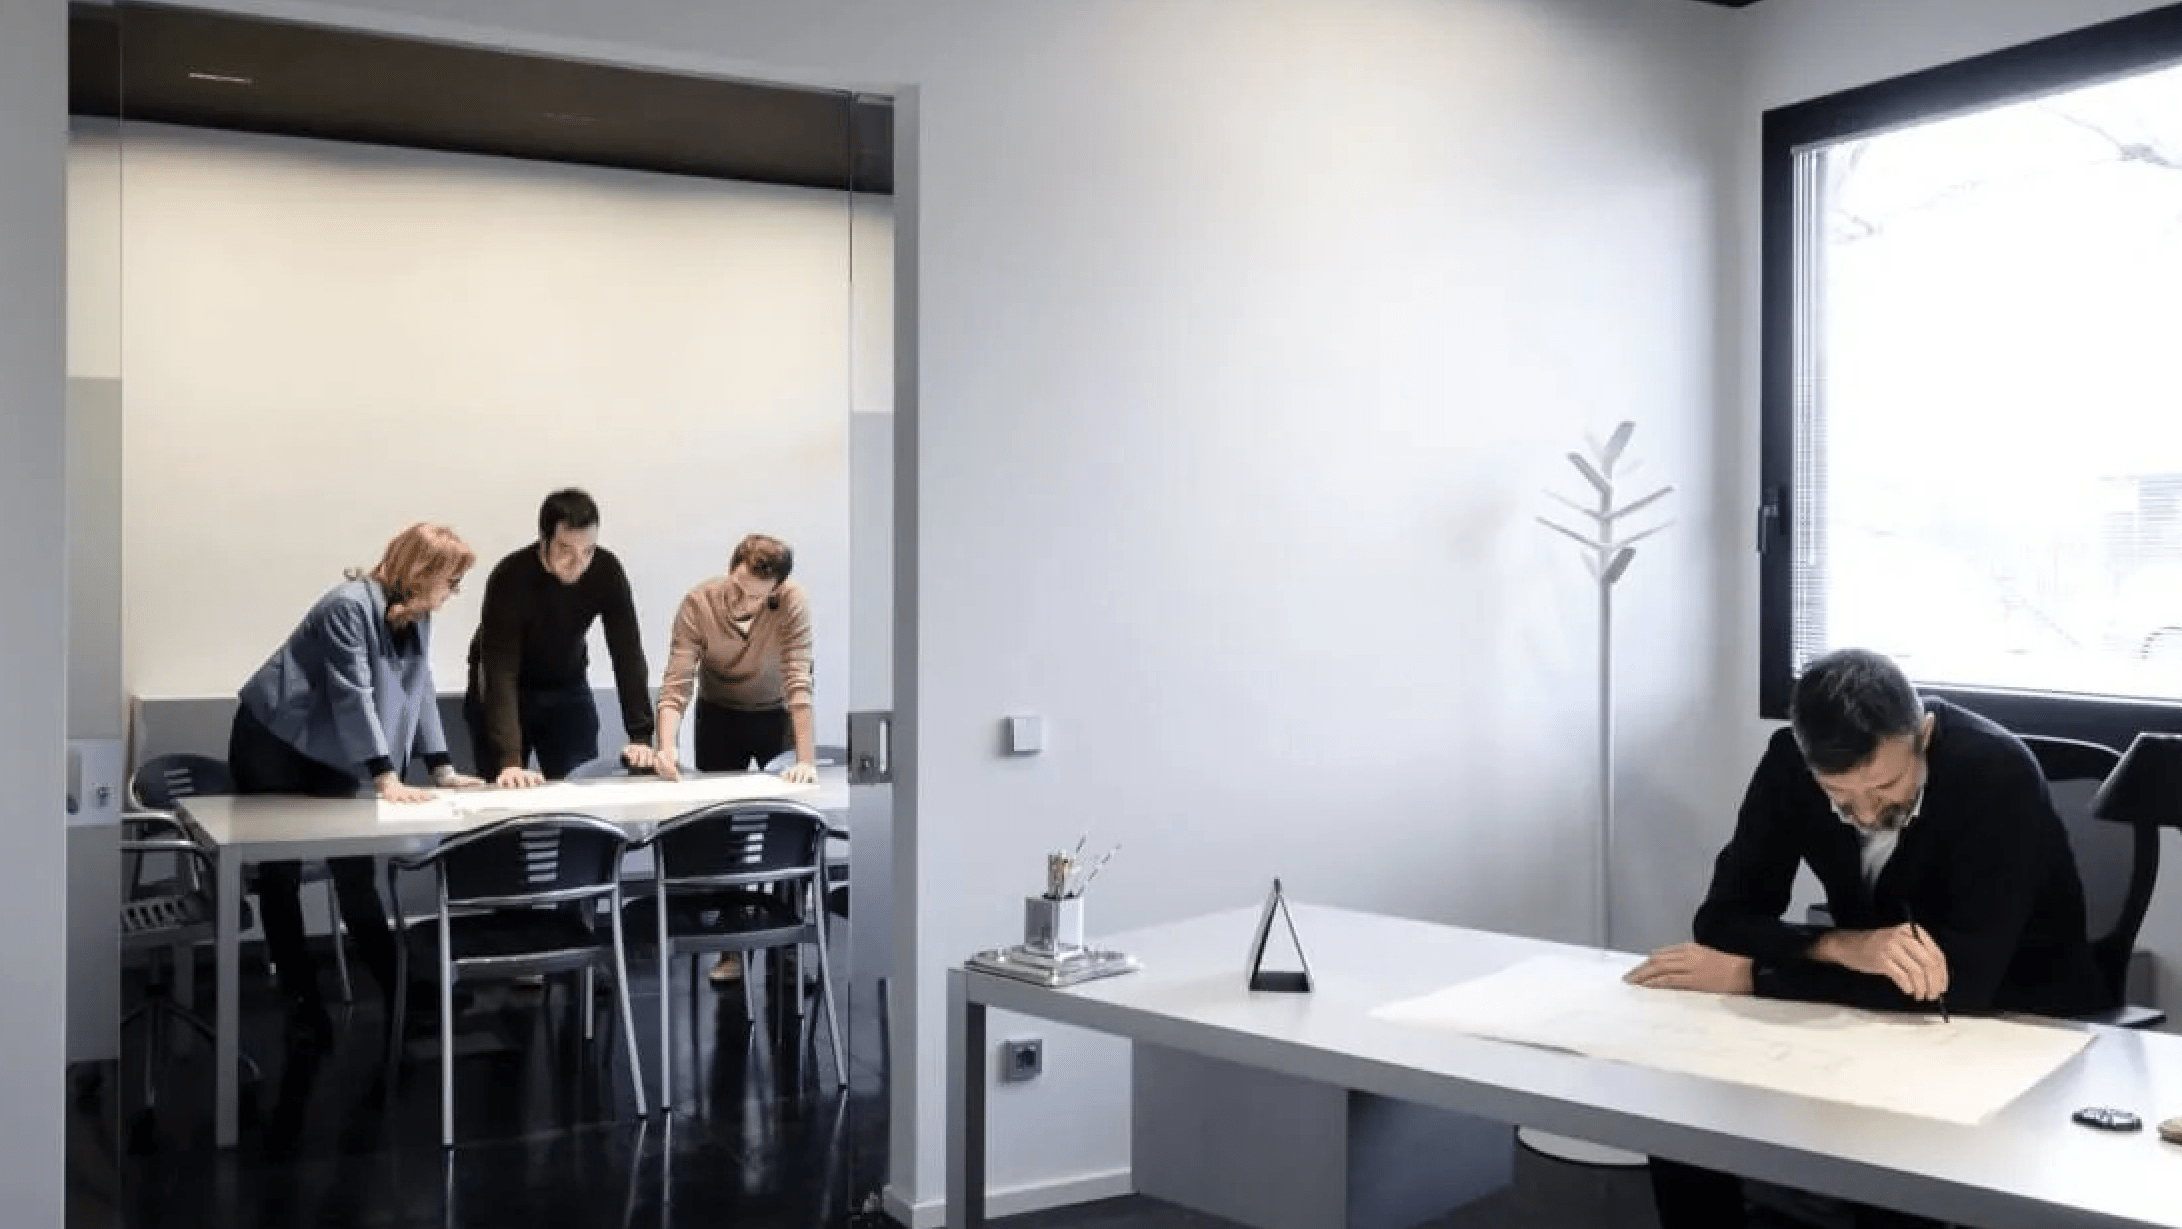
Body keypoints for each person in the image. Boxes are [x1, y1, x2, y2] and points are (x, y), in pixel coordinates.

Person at [1627, 647, 2104, 1229]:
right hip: (1876, 1017)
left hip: (2016, 1020)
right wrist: (1839, 945)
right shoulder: (1789, 762)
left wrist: (1758, 975)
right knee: (1682, 1126)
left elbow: (1963, 983)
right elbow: (1723, 920)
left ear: (1923, 735)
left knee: (1890, 1165)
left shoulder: (1995, 773)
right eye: (1840, 796)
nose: (1868, 814)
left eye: (1886, 786)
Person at [231, 523, 486, 1044]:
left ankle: (400, 993)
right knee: (281, 871)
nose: (453, 592)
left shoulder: (416, 615)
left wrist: (441, 766)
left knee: (354, 868)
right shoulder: (346, 606)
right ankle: (302, 1000)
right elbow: (353, 691)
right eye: (451, 580)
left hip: (331, 746)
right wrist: (385, 776)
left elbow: (419, 686)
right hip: (274, 741)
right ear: (422, 572)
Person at [652, 532, 818, 982]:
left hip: (776, 713)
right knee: (722, 830)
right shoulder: (699, 603)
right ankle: (732, 949)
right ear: (730, 571)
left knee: (788, 826)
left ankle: (786, 950)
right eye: (738, 588)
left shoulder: (793, 603)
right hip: (720, 713)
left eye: (757, 597)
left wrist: (805, 759)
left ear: (776, 590)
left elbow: (799, 680)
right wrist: (666, 746)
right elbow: (676, 685)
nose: (743, 602)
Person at [463, 489, 657, 787]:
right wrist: (510, 761)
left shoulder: (606, 571)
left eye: (588, 551)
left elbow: (627, 652)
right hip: (506, 688)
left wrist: (641, 735)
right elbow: (500, 671)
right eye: (566, 551)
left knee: (578, 786)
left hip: (566, 684)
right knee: (504, 788)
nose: (578, 563)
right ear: (544, 540)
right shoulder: (510, 577)